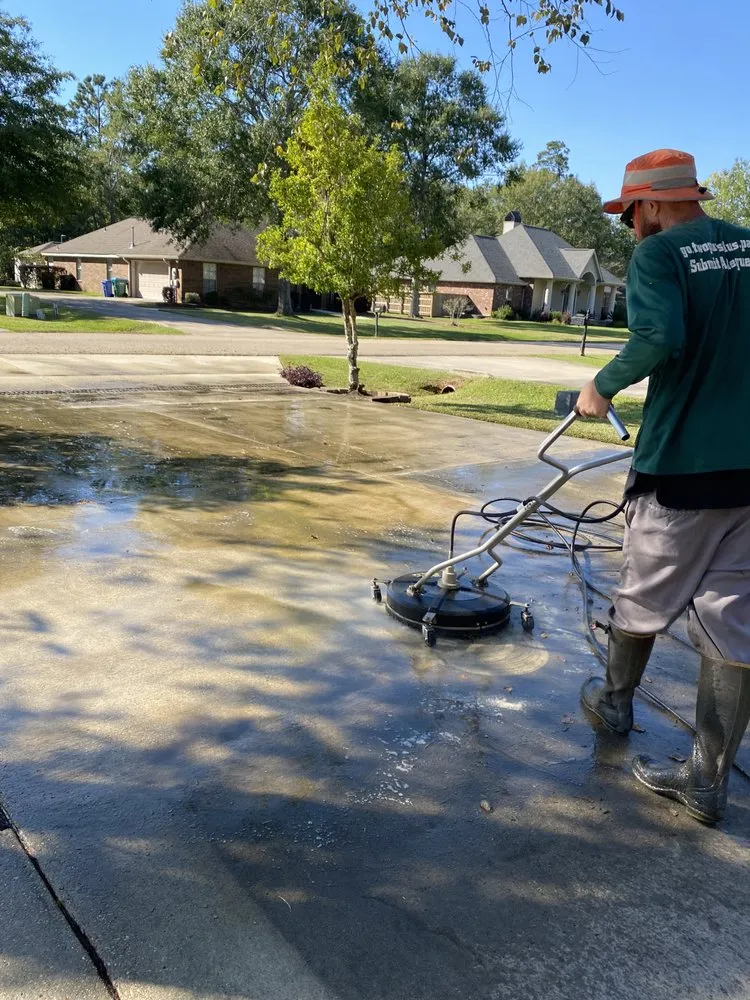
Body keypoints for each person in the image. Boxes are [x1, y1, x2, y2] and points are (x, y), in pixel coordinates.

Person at [576, 148, 750, 825]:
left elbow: (659, 335)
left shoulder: (660, 256)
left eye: (629, 215)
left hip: (681, 466)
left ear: (649, 204)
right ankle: (707, 781)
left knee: (643, 591)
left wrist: (602, 385)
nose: (631, 229)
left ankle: (615, 703)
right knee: (734, 620)